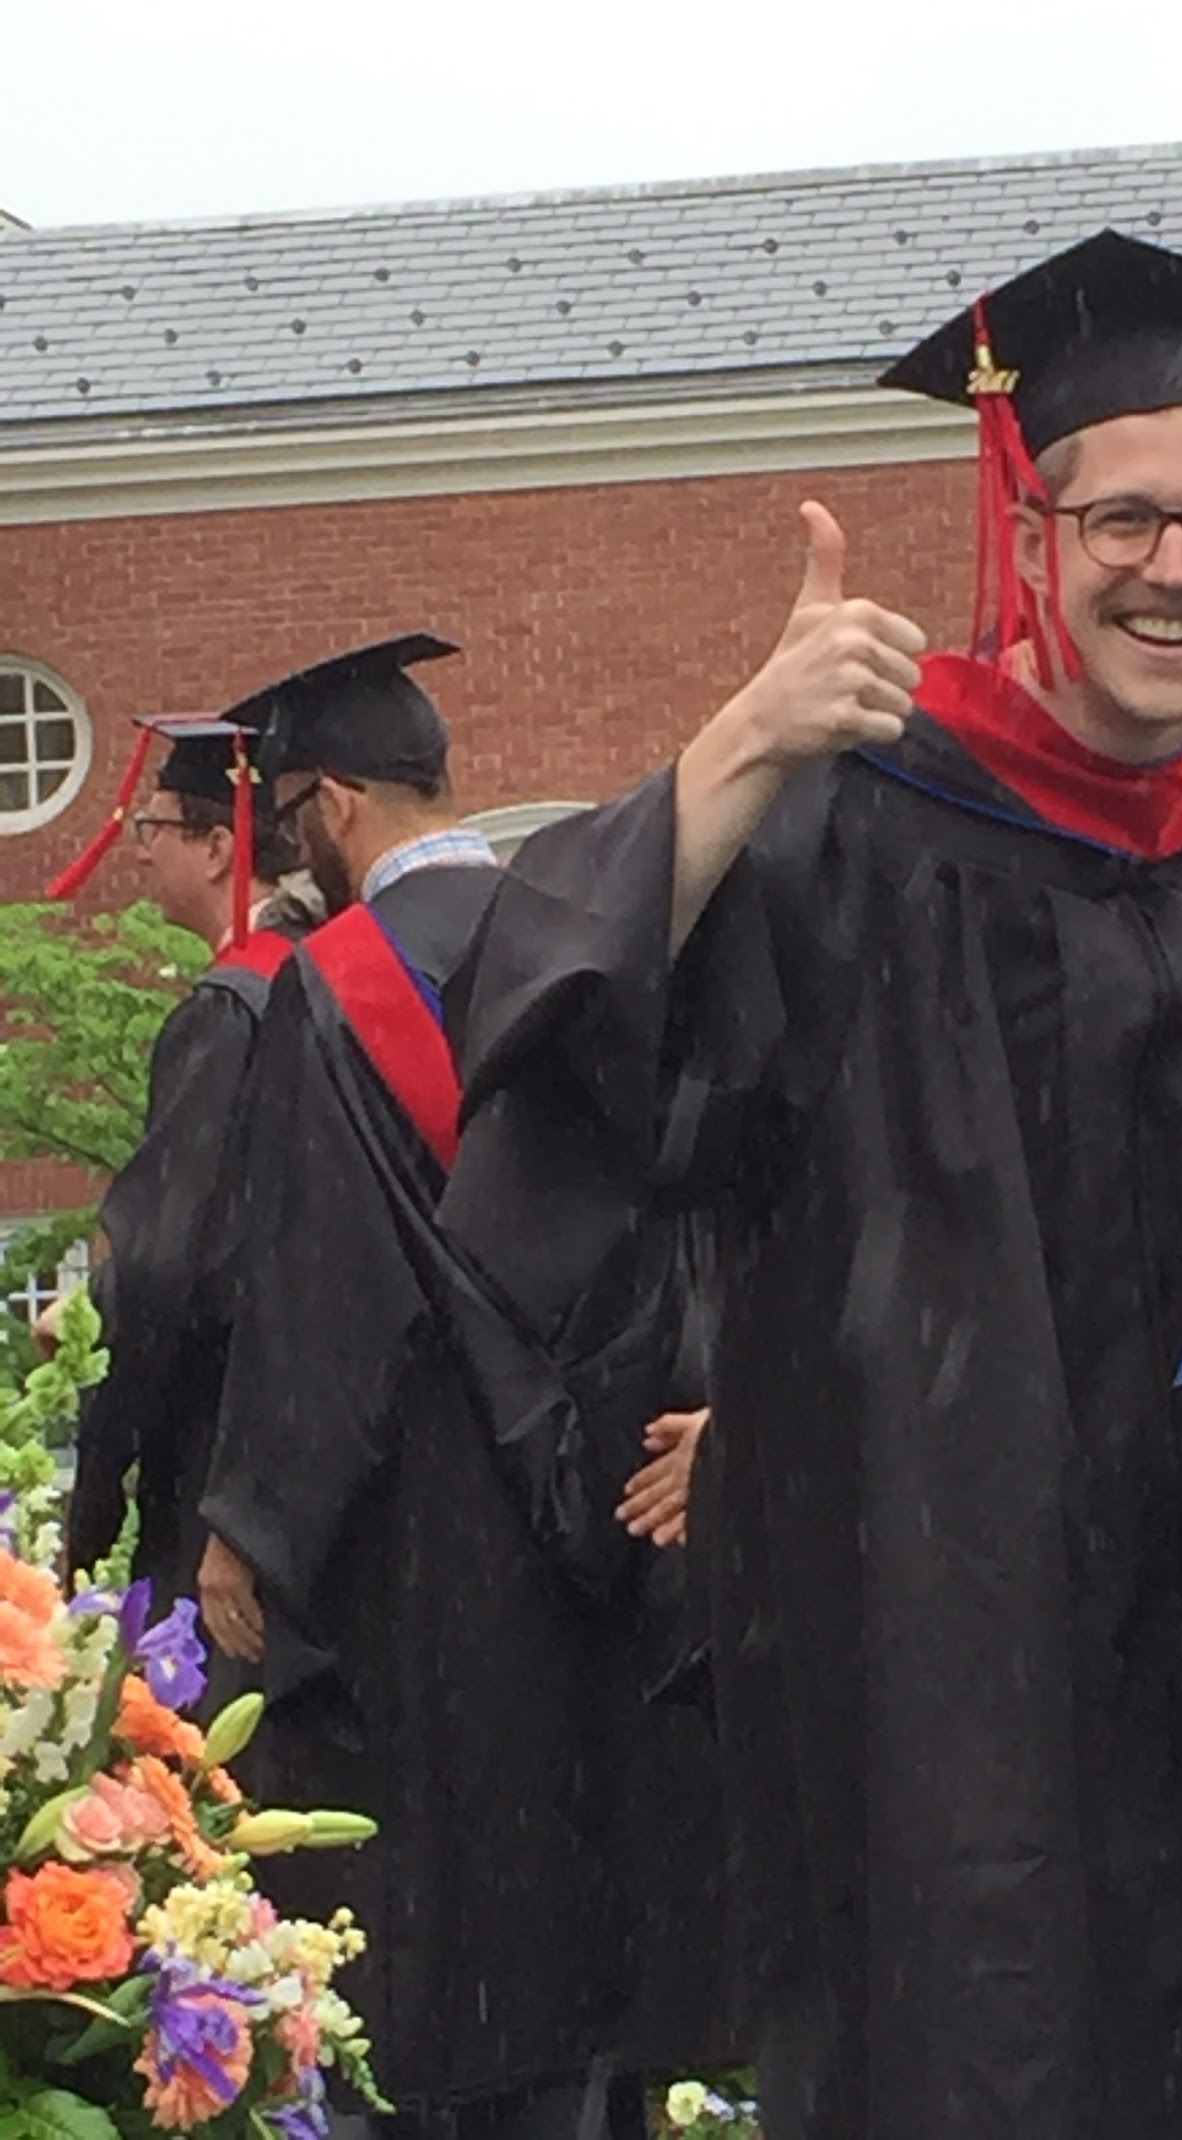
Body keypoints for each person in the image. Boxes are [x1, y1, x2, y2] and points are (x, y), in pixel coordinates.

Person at [438, 231, 1182, 2140]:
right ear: (1030, 528)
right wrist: (739, 743)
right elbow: (598, 1079)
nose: (1179, 569)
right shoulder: (858, 803)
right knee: (968, 2009)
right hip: (926, 1558)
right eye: (1129, 521)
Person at [195, 635, 693, 2140]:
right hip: (633, 1487)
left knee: (457, 1904)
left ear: (334, 803)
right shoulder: (596, 933)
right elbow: (700, 1204)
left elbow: (315, 1296)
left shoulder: (333, 992)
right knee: (613, 1863)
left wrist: (252, 1522)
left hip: (439, 1529)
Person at [57, 716, 317, 1607]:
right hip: (322, 1439)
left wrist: (90, 1503)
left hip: (220, 1461)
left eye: (154, 828)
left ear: (217, 847)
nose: (139, 853)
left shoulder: (228, 1011)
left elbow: (165, 1264)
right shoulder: (330, 977)